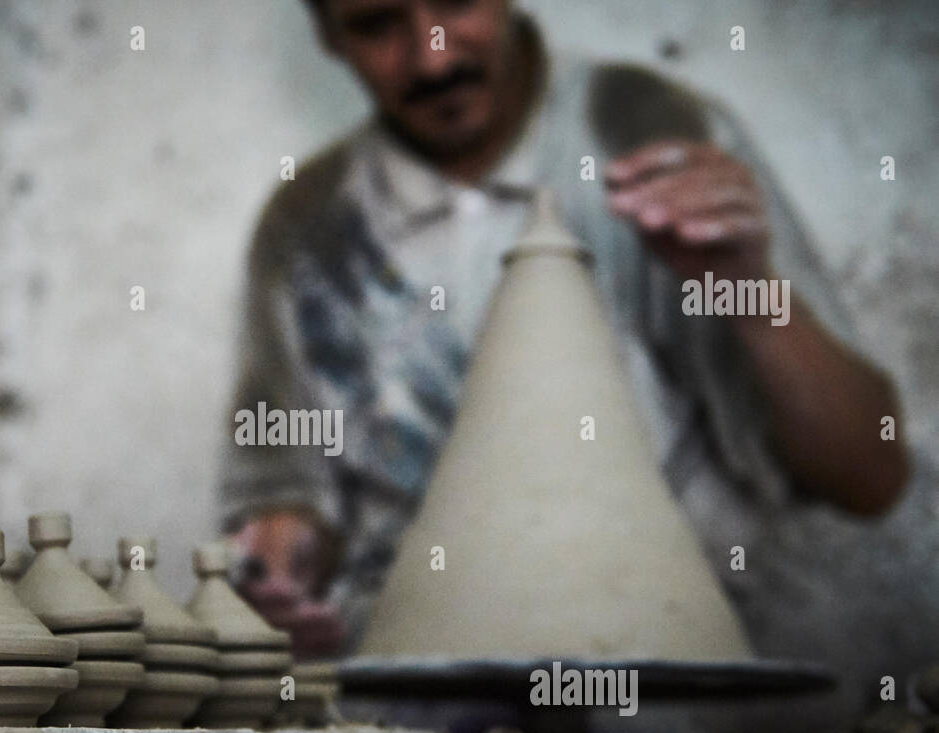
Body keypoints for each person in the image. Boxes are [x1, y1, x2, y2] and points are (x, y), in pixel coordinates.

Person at [218, 0, 914, 668]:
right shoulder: (309, 227)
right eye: (375, 24)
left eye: (456, 1)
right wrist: (280, 564)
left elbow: (871, 475)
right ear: (328, 34)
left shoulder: (646, 132)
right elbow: (285, 493)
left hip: (672, 662)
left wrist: (749, 291)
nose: (431, 59)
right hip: (429, 670)